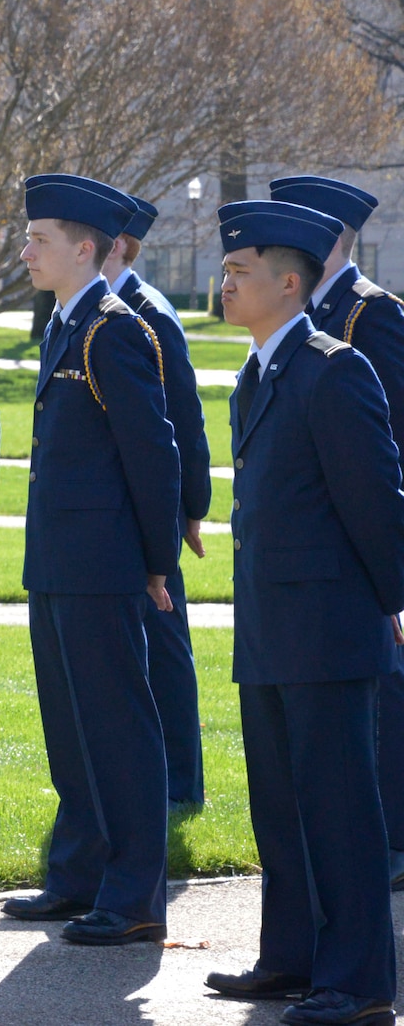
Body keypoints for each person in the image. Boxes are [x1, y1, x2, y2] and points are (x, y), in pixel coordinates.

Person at [202, 199, 404, 1026]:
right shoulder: (259, 372)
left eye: (240, 272)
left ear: (290, 283)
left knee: (340, 809)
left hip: (328, 631)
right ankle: (291, 959)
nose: (225, 284)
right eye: (224, 271)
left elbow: (377, 504)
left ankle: (356, 981)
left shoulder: (334, 367)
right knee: (280, 806)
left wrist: (394, 603)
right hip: (272, 628)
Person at [1, 174, 179, 946]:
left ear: (85, 250)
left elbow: (154, 456)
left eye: (39, 239)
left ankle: (135, 892)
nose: (26, 249)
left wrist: (154, 562)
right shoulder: (65, 324)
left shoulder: (114, 329)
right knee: (70, 730)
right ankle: (78, 874)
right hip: (58, 562)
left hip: (103, 564)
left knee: (118, 730)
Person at [268, 173, 404, 889]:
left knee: (384, 692)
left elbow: (390, 435)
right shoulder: (300, 313)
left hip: (365, 527)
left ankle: (394, 838)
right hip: (317, 536)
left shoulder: (368, 315)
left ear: (335, 237)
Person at [105, 194, 212, 809]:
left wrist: (191, 507)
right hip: (123, 504)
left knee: (164, 645)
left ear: (118, 245)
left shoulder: (147, 311)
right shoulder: (106, 307)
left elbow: (184, 422)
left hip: (151, 502)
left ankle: (180, 785)